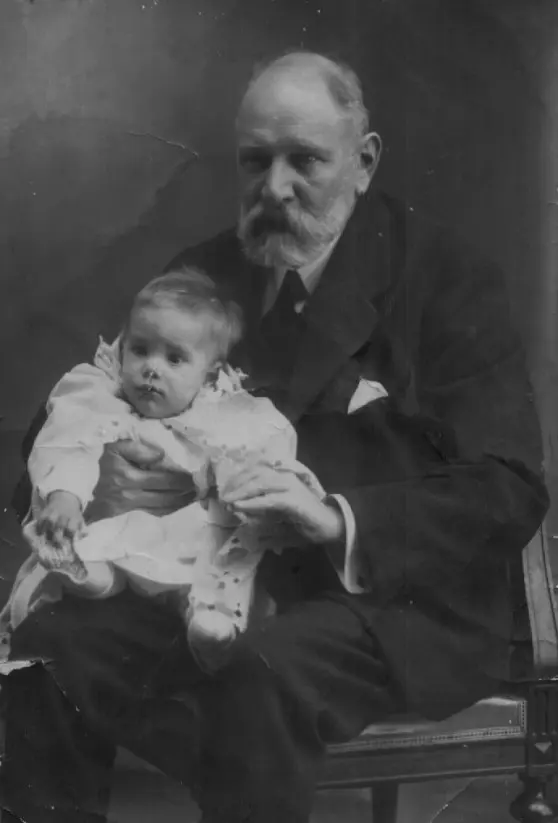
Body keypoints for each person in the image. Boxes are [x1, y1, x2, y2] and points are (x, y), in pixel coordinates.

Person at [1, 51, 549, 823]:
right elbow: (79, 403)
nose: (275, 187)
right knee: (46, 653)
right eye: (255, 161)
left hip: (388, 602)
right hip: (207, 578)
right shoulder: (203, 275)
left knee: (249, 679)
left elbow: (509, 483)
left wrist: (334, 519)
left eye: (306, 161)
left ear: (364, 161)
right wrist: (105, 479)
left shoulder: (448, 279)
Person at [2, 268, 328, 672]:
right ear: (122, 348)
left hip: (185, 535)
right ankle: (83, 575)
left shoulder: (225, 412)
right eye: (140, 350)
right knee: (90, 543)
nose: (151, 368)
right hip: (112, 525)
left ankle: (209, 622)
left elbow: (261, 448)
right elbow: (70, 440)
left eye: (174, 358)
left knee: (219, 547)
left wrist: (236, 483)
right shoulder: (100, 395)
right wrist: (65, 497)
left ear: (210, 372)